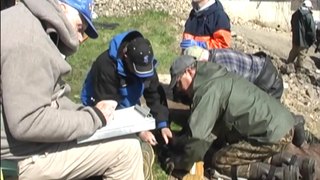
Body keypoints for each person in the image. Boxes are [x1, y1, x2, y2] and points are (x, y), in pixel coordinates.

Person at [1, 0, 144, 179]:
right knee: (127, 150)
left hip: (21, 146)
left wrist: (85, 112)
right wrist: (94, 117)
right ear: (60, 7)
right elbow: (28, 121)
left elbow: (47, 100)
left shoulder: (24, 21)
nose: (79, 38)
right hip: (18, 158)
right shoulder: (28, 40)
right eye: (79, 27)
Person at [164, 55, 317, 179]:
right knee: (240, 150)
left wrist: (179, 161)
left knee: (221, 160)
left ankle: (284, 175)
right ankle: (301, 165)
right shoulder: (218, 75)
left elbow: (197, 139)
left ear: (189, 72)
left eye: (178, 83)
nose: (179, 89)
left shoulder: (208, 90)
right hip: (283, 123)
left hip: (272, 135)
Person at [80, 30, 173, 180]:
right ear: (125, 56)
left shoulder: (145, 63)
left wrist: (163, 124)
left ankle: (145, 147)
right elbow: (110, 111)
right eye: (138, 72)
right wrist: (139, 131)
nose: (142, 76)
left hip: (131, 102)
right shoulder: (106, 66)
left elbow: (154, 95)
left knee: (147, 116)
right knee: (117, 143)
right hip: (100, 104)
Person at [183, 45, 283, 100]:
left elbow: (230, 95)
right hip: (262, 71)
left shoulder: (221, 67)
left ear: (201, 61)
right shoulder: (213, 54)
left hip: (268, 82)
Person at [287, 0, 316, 68]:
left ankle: (287, 67)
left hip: (296, 39)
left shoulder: (295, 14)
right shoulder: (308, 16)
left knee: (293, 54)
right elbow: (312, 30)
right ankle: (298, 72)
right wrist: (312, 39)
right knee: (301, 57)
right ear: (309, 7)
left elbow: (292, 23)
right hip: (304, 42)